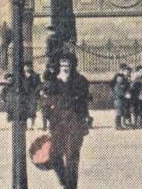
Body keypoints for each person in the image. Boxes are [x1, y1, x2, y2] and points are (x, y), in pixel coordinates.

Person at [43, 53, 91, 189]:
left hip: (74, 122)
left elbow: (84, 100)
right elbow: (47, 101)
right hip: (57, 123)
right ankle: (65, 180)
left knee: (72, 157)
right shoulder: (53, 82)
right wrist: (47, 118)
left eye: (68, 64)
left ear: (72, 65)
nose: (65, 67)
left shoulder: (79, 80)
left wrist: (85, 118)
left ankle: (71, 187)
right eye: (62, 64)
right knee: (54, 155)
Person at [110, 64, 130, 130]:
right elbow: (119, 88)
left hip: (121, 97)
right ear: (122, 70)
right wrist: (124, 94)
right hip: (119, 98)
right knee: (119, 112)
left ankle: (120, 125)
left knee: (121, 111)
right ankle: (117, 125)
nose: (128, 72)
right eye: (126, 70)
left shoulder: (124, 78)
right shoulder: (120, 78)